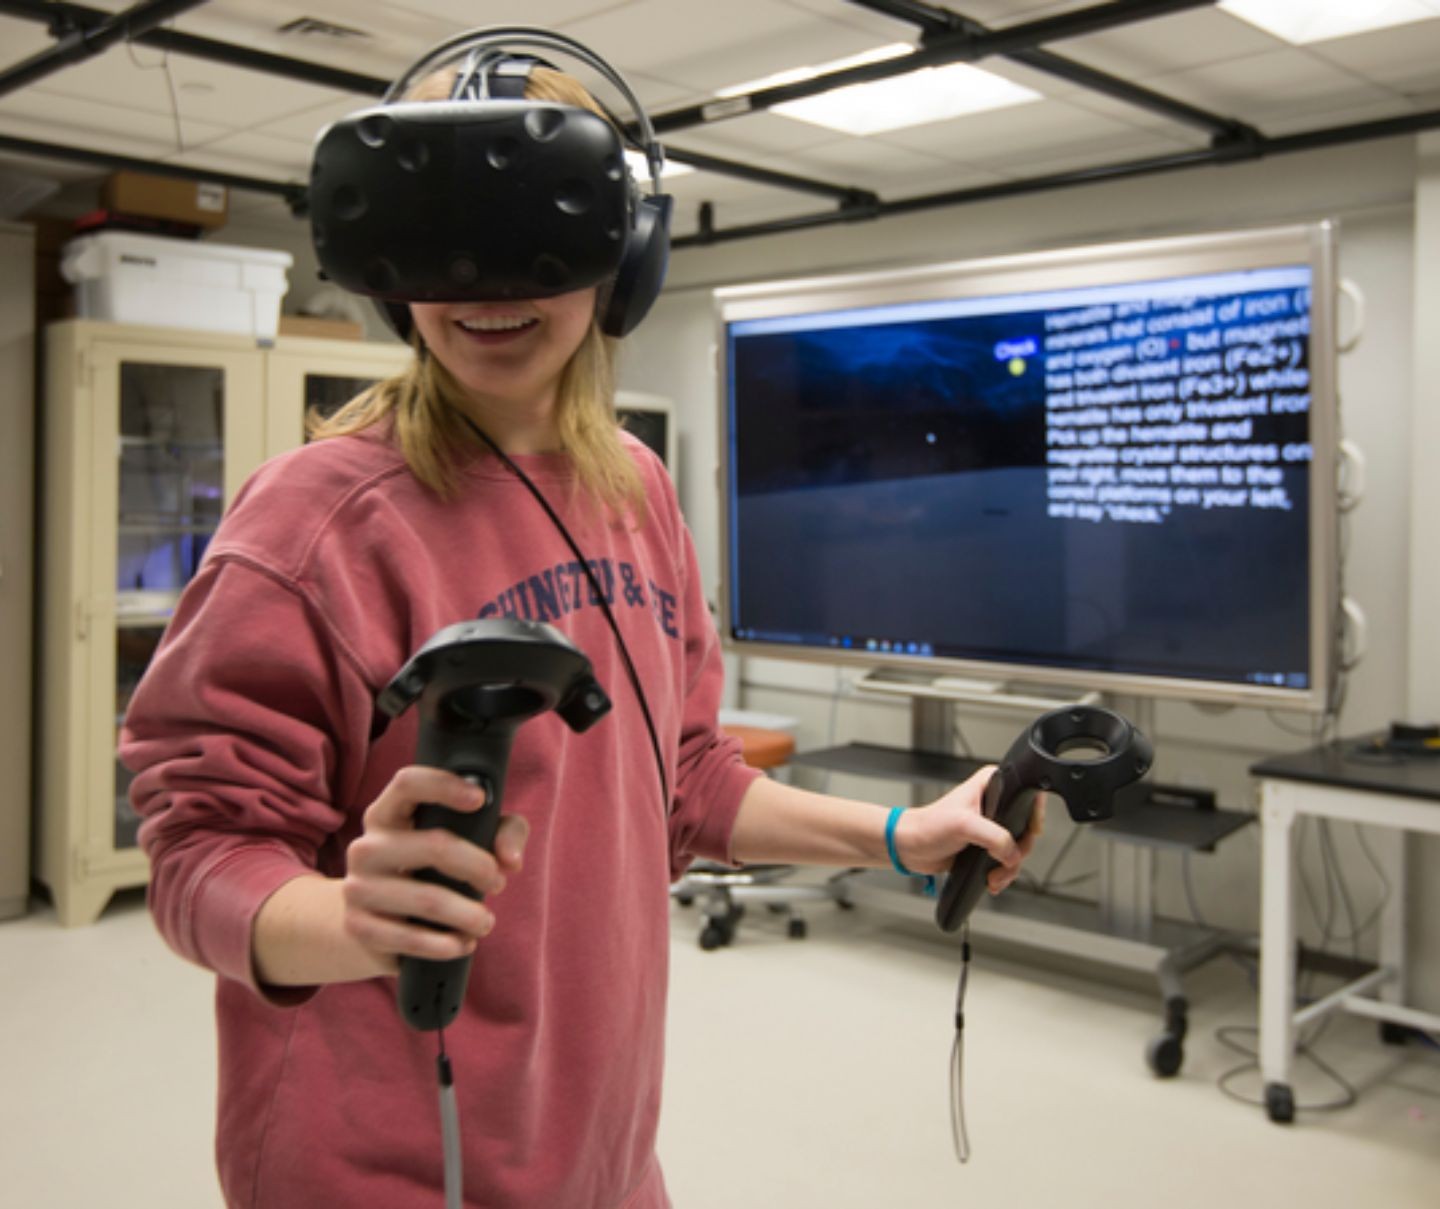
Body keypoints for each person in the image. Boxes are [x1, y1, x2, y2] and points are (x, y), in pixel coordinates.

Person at [120, 59, 1044, 1209]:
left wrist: (901, 832)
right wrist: (354, 920)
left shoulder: (637, 490)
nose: (483, 285)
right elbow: (201, 850)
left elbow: (685, 781)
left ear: (626, 250)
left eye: (533, 232)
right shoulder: (315, 523)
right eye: (446, 238)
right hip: (381, 1166)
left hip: (599, 1153)